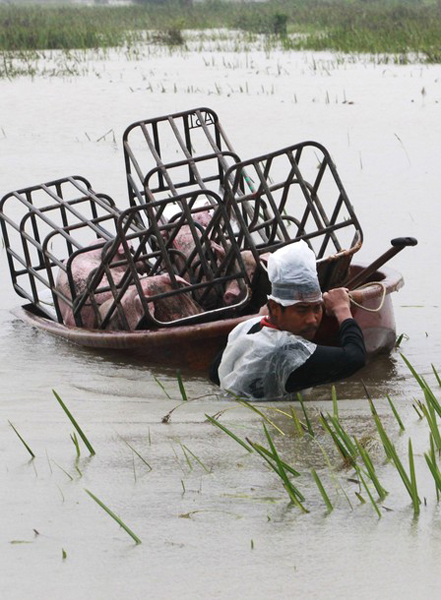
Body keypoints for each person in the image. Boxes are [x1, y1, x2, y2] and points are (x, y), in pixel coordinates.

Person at [209, 241, 366, 400]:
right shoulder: (287, 351)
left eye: (317, 308)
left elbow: (215, 372)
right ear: (275, 308)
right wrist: (342, 309)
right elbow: (355, 358)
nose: (312, 320)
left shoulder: (247, 327)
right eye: (302, 310)